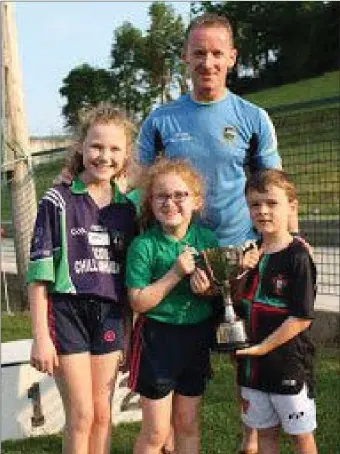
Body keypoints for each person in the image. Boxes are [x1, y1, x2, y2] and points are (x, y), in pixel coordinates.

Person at [136, 12, 296, 454]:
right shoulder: (160, 120)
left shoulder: (253, 117)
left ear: (232, 58)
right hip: (179, 257)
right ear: (185, 57)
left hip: (239, 257)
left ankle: (251, 439)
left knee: (248, 353)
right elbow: (139, 184)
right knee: (176, 351)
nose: (208, 62)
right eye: (199, 53)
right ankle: (166, 434)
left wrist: (287, 246)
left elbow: (275, 188)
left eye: (217, 53)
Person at [27, 102, 138, 454]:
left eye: (114, 149)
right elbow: (38, 276)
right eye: (96, 146)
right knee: (81, 415)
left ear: (126, 155)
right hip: (67, 312)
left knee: (103, 415)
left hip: (109, 315)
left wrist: (131, 327)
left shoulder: (129, 208)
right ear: (80, 147)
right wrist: (40, 338)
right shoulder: (56, 201)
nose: (104, 156)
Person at [126, 157, 220, 454]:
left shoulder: (207, 239)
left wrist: (207, 292)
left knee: (188, 424)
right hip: (157, 339)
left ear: (197, 201)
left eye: (180, 195)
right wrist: (175, 274)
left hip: (196, 338)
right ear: (151, 203)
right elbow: (138, 301)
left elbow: (218, 293)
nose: (171, 202)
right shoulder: (144, 246)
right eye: (162, 196)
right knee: (156, 431)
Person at [234, 169, 317, 454]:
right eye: (255, 204)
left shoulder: (298, 256)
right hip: (252, 370)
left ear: (291, 207)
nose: (263, 211)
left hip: (287, 365)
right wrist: (242, 271)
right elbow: (236, 304)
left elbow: (301, 317)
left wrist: (261, 348)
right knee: (266, 435)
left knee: (301, 437)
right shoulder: (250, 252)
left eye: (272, 203)